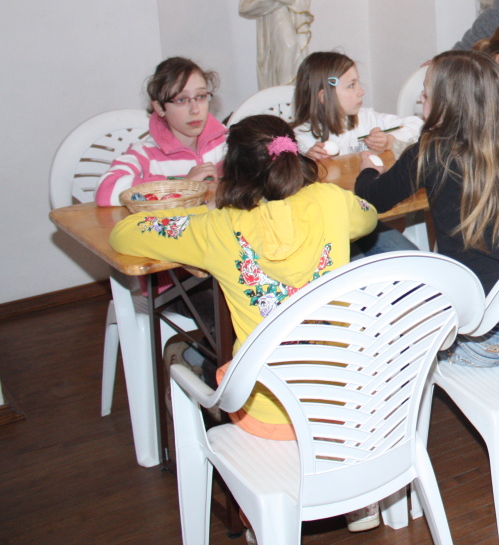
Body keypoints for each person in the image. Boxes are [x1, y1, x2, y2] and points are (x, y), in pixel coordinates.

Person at [109, 115, 384, 533]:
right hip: (342, 401)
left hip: (266, 413)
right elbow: (368, 216)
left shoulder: (217, 228)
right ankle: (354, 498)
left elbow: (124, 234)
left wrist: (196, 216)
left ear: (232, 171)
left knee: (197, 362)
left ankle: (261, 515)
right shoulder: (331, 200)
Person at [355, 50, 499, 366]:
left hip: (477, 341)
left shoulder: (432, 151)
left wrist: (368, 169)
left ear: (448, 106)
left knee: (366, 238)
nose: (421, 99)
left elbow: (371, 199)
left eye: (427, 94)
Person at [96, 57, 226, 207]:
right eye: (181, 100)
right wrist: (183, 186)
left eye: (201, 96)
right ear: (159, 108)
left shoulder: (226, 142)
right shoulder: (146, 153)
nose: (195, 110)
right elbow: (105, 191)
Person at [291, 51, 422, 160]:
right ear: (324, 97)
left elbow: (418, 124)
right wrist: (307, 162)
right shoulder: (300, 139)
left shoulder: (367, 118)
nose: (361, 92)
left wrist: (390, 140)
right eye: (351, 85)